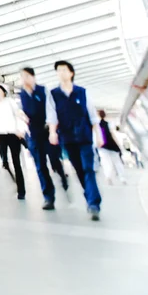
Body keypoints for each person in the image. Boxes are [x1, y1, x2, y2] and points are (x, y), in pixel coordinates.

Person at [47, 60, 103, 221]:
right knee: (79, 170)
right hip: (68, 138)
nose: (61, 73)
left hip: (85, 137)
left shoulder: (82, 92)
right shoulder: (54, 94)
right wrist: (52, 132)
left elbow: (92, 116)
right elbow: (52, 115)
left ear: (71, 73)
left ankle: (94, 204)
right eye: (58, 70)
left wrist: (99, 136)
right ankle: (90, 196)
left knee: (88, 169)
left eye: (64, 70)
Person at [19, 67, 69, 210]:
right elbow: (23, 112)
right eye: (22, 77)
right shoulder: (22, 94)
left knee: (54, 160)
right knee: (40, 166)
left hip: (47, 131)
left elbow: (51, 109)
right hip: (33, 134)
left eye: (26, 76)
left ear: (32, 77)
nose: (24, 79)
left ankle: (62, 176)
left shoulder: (43, 90)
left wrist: (53, 130)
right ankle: (48, 197)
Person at [0, 85, 28, 200]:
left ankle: (21, 190)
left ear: (4, 92)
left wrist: (20, 130)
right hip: (2, 136)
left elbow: (17, 115)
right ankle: (13, 182)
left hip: (13, 134)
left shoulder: (10, 102)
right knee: (4, 162)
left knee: (16, 162)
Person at [97, 110, 127, 185]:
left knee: (106, 162)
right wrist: (118, 145)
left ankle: (108, 177)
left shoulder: (96, 125)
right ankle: (122, 178)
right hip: (112, 145)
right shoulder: (108, 124)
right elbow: (113, 135)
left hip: (102, 146)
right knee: (117, 162)